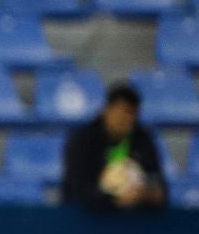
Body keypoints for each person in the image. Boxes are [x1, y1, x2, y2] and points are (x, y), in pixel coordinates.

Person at [61, 80, 168, 211]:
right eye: (120, 112)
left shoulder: (143, 140)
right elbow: (75, 189)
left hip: (135, 222)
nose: (124, 119)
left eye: (130, 113)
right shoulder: (83, 140)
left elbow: (159, 185)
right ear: (106, 110)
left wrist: (148, 195)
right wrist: (112, 200)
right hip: (89, 221)